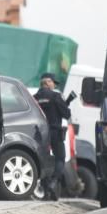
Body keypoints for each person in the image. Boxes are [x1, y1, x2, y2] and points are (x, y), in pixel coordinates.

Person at [34, 72, 76, 201]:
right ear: (47, 82)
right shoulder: (56, 96)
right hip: (55, 132)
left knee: (44, 160)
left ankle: (46, 190)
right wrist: (66, 103)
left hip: (41, 134)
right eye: (53, 83)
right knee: (60, 159)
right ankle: (53, 182)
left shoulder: (34, 98)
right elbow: (66, 114)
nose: (54, 86)